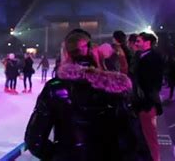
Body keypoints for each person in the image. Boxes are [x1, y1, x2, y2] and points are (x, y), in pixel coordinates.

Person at [25, 29, 152, 160]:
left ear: (66, 54)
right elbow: (134, 140)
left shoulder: (55, 88)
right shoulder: (117, 87)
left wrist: (61, 156)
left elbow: (34, 140)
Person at [134, 32, 164, 161]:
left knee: (150, 135)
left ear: (147, 42)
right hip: (146, 102)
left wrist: (148, 103)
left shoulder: (152, 58)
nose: (136, 43)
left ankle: (155, 158)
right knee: (147, 134)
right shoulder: (144, 56)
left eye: (139, 41)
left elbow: (152, 83)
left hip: (147, 103)